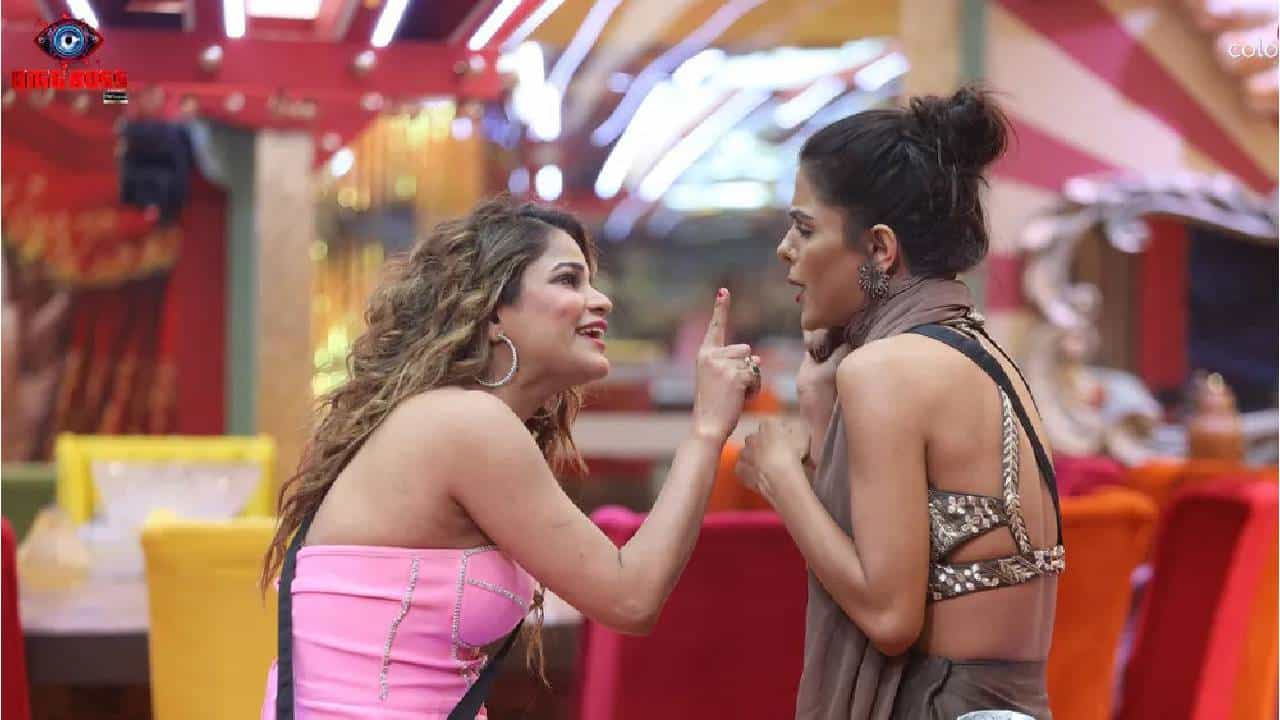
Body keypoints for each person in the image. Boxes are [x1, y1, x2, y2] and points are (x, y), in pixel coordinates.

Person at [259, 198, 761, 719]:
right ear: (496, 311)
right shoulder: (468, 423)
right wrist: (706, 431)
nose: (602, 300)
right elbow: (630, 597)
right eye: (569, 280)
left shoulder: (448, 418)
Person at [736, 86, 1064, 719]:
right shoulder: (975, 351)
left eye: (805, 227)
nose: (785, 248)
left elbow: (890, 617)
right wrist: (819, 403)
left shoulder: (887, 370)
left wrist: (780, 477)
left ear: (880, 250)